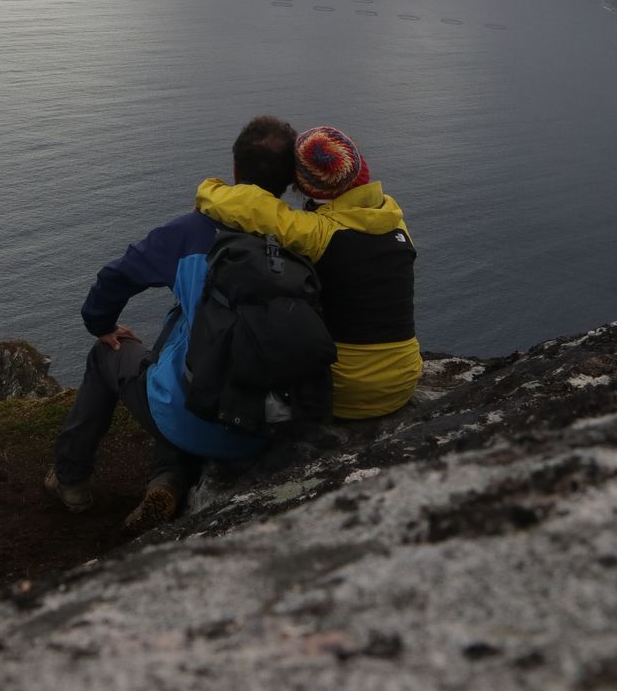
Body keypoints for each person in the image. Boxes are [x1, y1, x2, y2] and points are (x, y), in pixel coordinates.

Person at [47, 115, 299, 533]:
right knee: (185, 343)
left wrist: (101, 324)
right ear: (290, 181)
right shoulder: (303, 237)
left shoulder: (192, 232)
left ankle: (71, 479)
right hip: (267, 426)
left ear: (234, 171)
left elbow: (116, 277)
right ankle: (167, 479)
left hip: (189, 416)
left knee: (114, 356)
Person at [195, 125, 419, 421]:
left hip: (343, 393)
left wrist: (209, 187)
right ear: (360, 167)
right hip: (404, 381)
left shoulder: (317, 234)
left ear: (301, 187)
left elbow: (248, 206)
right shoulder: (394, 220)